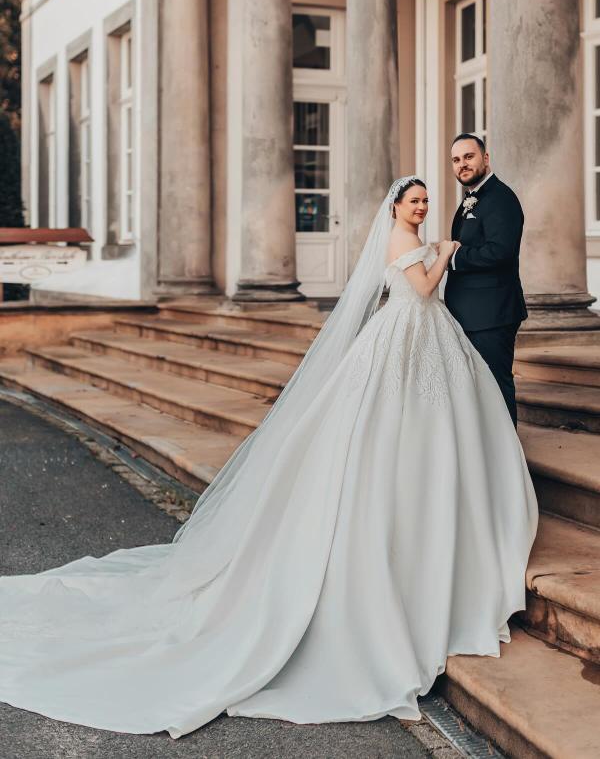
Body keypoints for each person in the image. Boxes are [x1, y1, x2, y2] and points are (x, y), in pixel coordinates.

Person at [0, 177, 538, 739]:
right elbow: (423, 292)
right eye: (415, 201)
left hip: (427, 340)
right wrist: (446, 252)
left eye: (427, 200)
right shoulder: (403, 243)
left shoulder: (411, 239)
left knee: (439, 430)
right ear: (397, 208)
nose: (423, 207)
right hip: (406, 336)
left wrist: (441, 250)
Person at [444, 134, 528, 427]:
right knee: (479, 392)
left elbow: (500, 251)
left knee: (496, 389)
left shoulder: (501, 198)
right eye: (456, 160)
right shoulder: (473, 197)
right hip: (472, 314)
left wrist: (454, 257)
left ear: (486, 158)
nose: (462, 164)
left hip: (492, 314)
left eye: (468, 157)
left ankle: (508, 464)